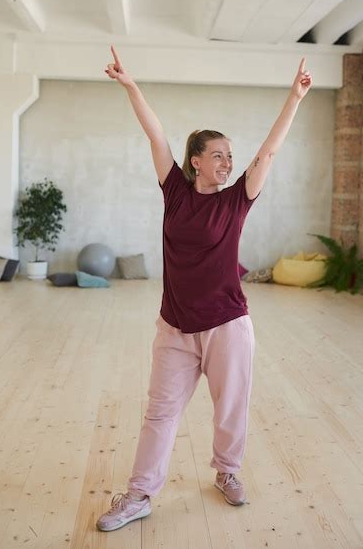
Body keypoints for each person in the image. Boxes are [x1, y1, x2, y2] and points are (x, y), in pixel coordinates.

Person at [96, 46, 312, 532]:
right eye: (218, 155)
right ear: (195, 161)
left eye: (230, 156)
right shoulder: (173, 190)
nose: (228, 162)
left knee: (230, 405)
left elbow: (269, 151)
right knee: (159, 413)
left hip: (227, 325)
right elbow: (154, 133)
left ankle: (227, 472)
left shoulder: (237, 200)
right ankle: (139, 494)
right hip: (174, 327)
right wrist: (132, 86)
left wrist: (294, 98)